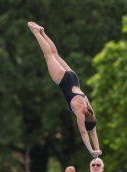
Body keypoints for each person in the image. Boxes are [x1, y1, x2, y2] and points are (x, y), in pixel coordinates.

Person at [27, 21, 102, 157]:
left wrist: (97, 150)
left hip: (73, 77)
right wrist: (91, 151)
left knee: (55, 53)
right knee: (48, 55)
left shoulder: (90, 111)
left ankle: (43, 32)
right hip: (62, 79)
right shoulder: (80, 111)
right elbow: (84, 132)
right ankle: (37, 33)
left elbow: (93, 131)